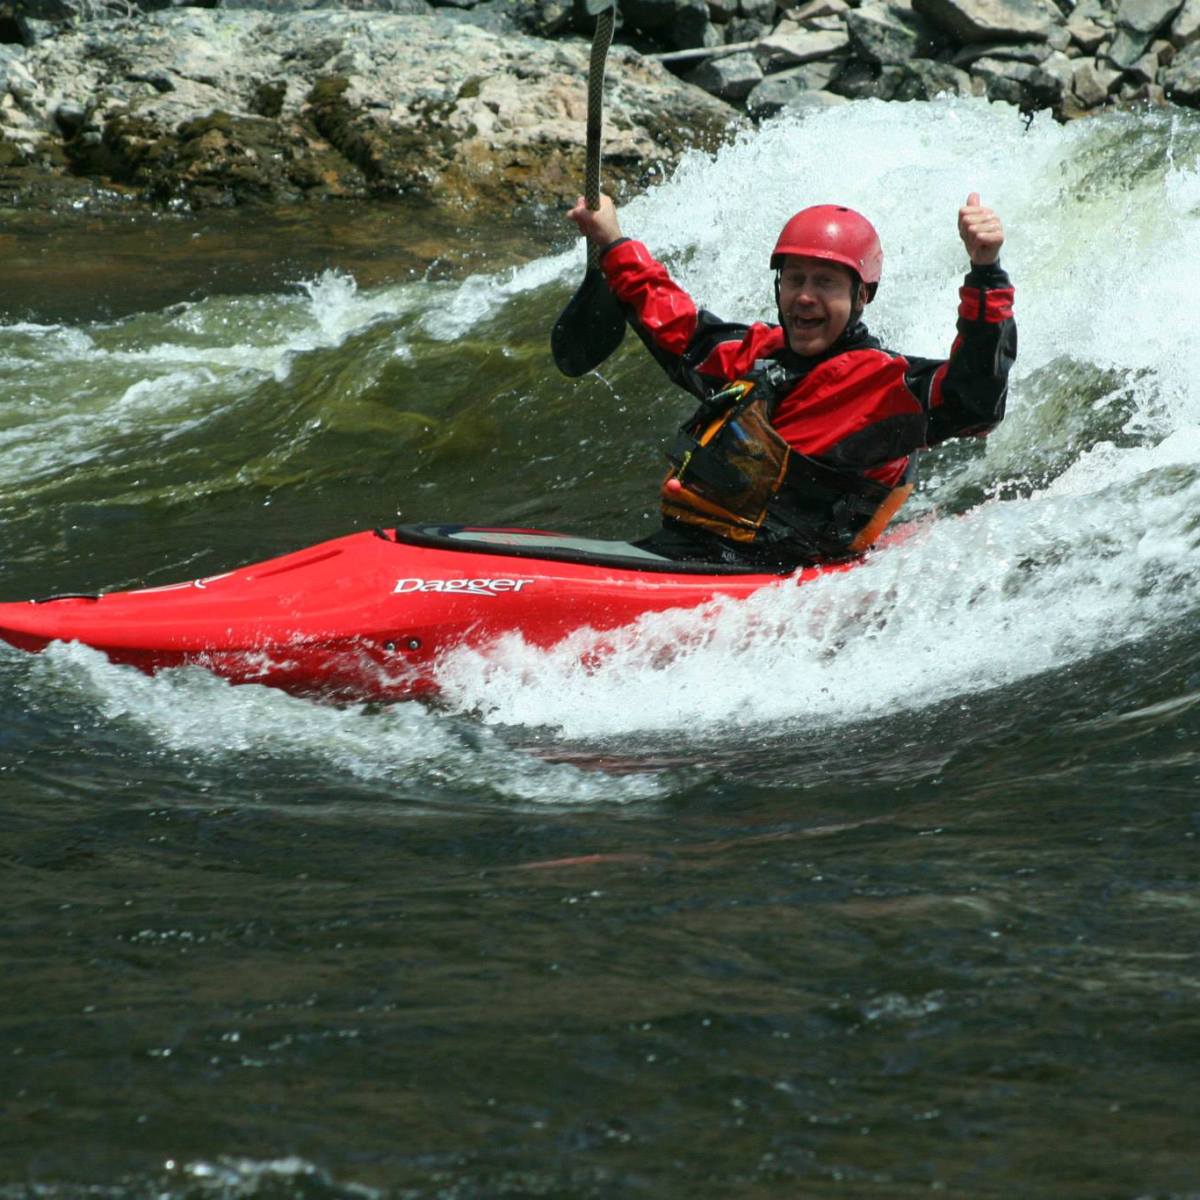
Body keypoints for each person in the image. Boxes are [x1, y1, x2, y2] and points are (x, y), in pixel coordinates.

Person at [566, 191, 1016, 568]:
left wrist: (986, 273)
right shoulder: (756, 353)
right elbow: (677, 328)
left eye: (825, 283)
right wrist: (612, 241)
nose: (804, 297)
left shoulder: (884, 385)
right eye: (794, 279)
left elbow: (973, 398)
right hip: (693, 556)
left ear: (861, 296)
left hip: (776, 576)